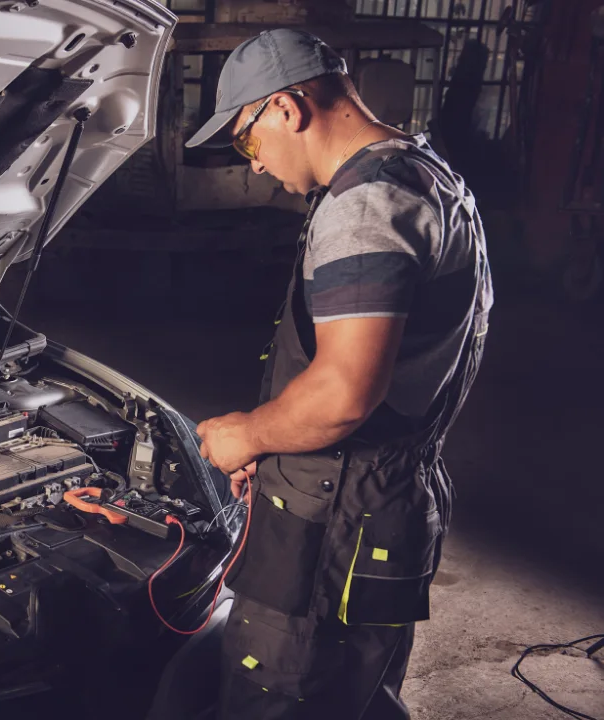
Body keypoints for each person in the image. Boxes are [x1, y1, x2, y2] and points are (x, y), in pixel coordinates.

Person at [189, 29, 493, 719]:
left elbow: (341, 394)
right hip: (387, 507)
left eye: (245, 140)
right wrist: (274, 442)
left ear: (286, 109)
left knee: (278, 701)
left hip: (326, 533)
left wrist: (245, 434)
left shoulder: (363, 208)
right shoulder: (425, 173)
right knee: (354, 698)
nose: (255, 165)